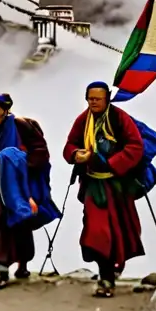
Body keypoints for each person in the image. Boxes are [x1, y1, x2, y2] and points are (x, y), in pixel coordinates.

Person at [0, 93, 57, 289]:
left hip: (20, 187)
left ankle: (22, 264)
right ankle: (1, 271)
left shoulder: (22, 127)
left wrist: (8, 162)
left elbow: (40, 154)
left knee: (19, 227)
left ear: (6, 112)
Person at [63, 81, 145, 298]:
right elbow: (70, 145)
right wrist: (75, 155)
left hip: (116, 185)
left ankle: (111, 271)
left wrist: (111, 163)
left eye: (98, 99)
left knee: (120, 230)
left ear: (107, 98)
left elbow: (135, 146)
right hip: (93, 186)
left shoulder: (119, 118)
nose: (94, 102)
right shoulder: (84, 120)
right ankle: (105, 276)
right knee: (97, 231)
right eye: (90, 99)